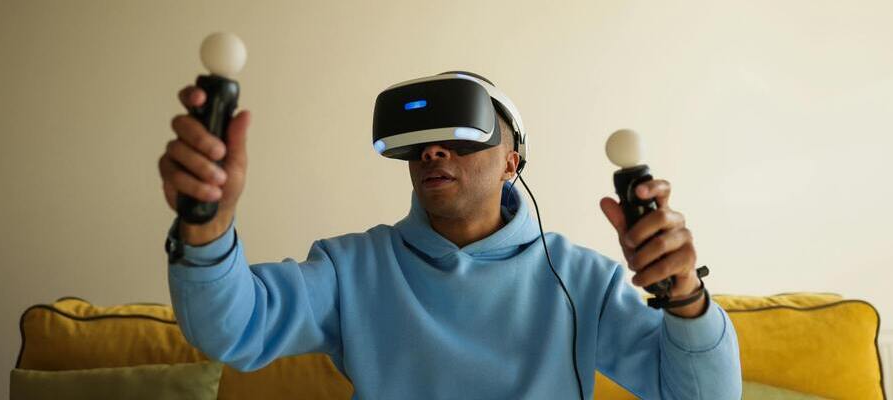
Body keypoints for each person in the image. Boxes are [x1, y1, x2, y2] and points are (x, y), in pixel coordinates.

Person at [157, 74, 742, 399]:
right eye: (421, 143)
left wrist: (686, 297)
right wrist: (206, 222)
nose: (434, 151)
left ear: (513, 162)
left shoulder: (581, 279)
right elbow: (229, 329)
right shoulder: (352, 268)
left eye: (461, 138)